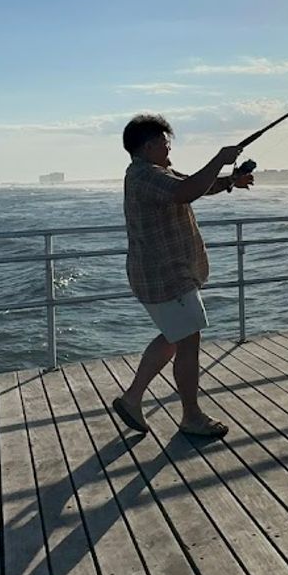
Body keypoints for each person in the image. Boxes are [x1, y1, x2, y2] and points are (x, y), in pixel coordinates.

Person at [112, 113, 254, 439]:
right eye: (164, 142)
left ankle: (132, 399)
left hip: (168, 274)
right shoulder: (144, 176)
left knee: (176, 337)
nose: (168, 147)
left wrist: (231, 180)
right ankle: (191, 416)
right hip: (166, 275)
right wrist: (220, 158)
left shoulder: (154, 172)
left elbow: (194, 185)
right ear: (149, 146)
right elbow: (186, 191)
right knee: (187, 340)